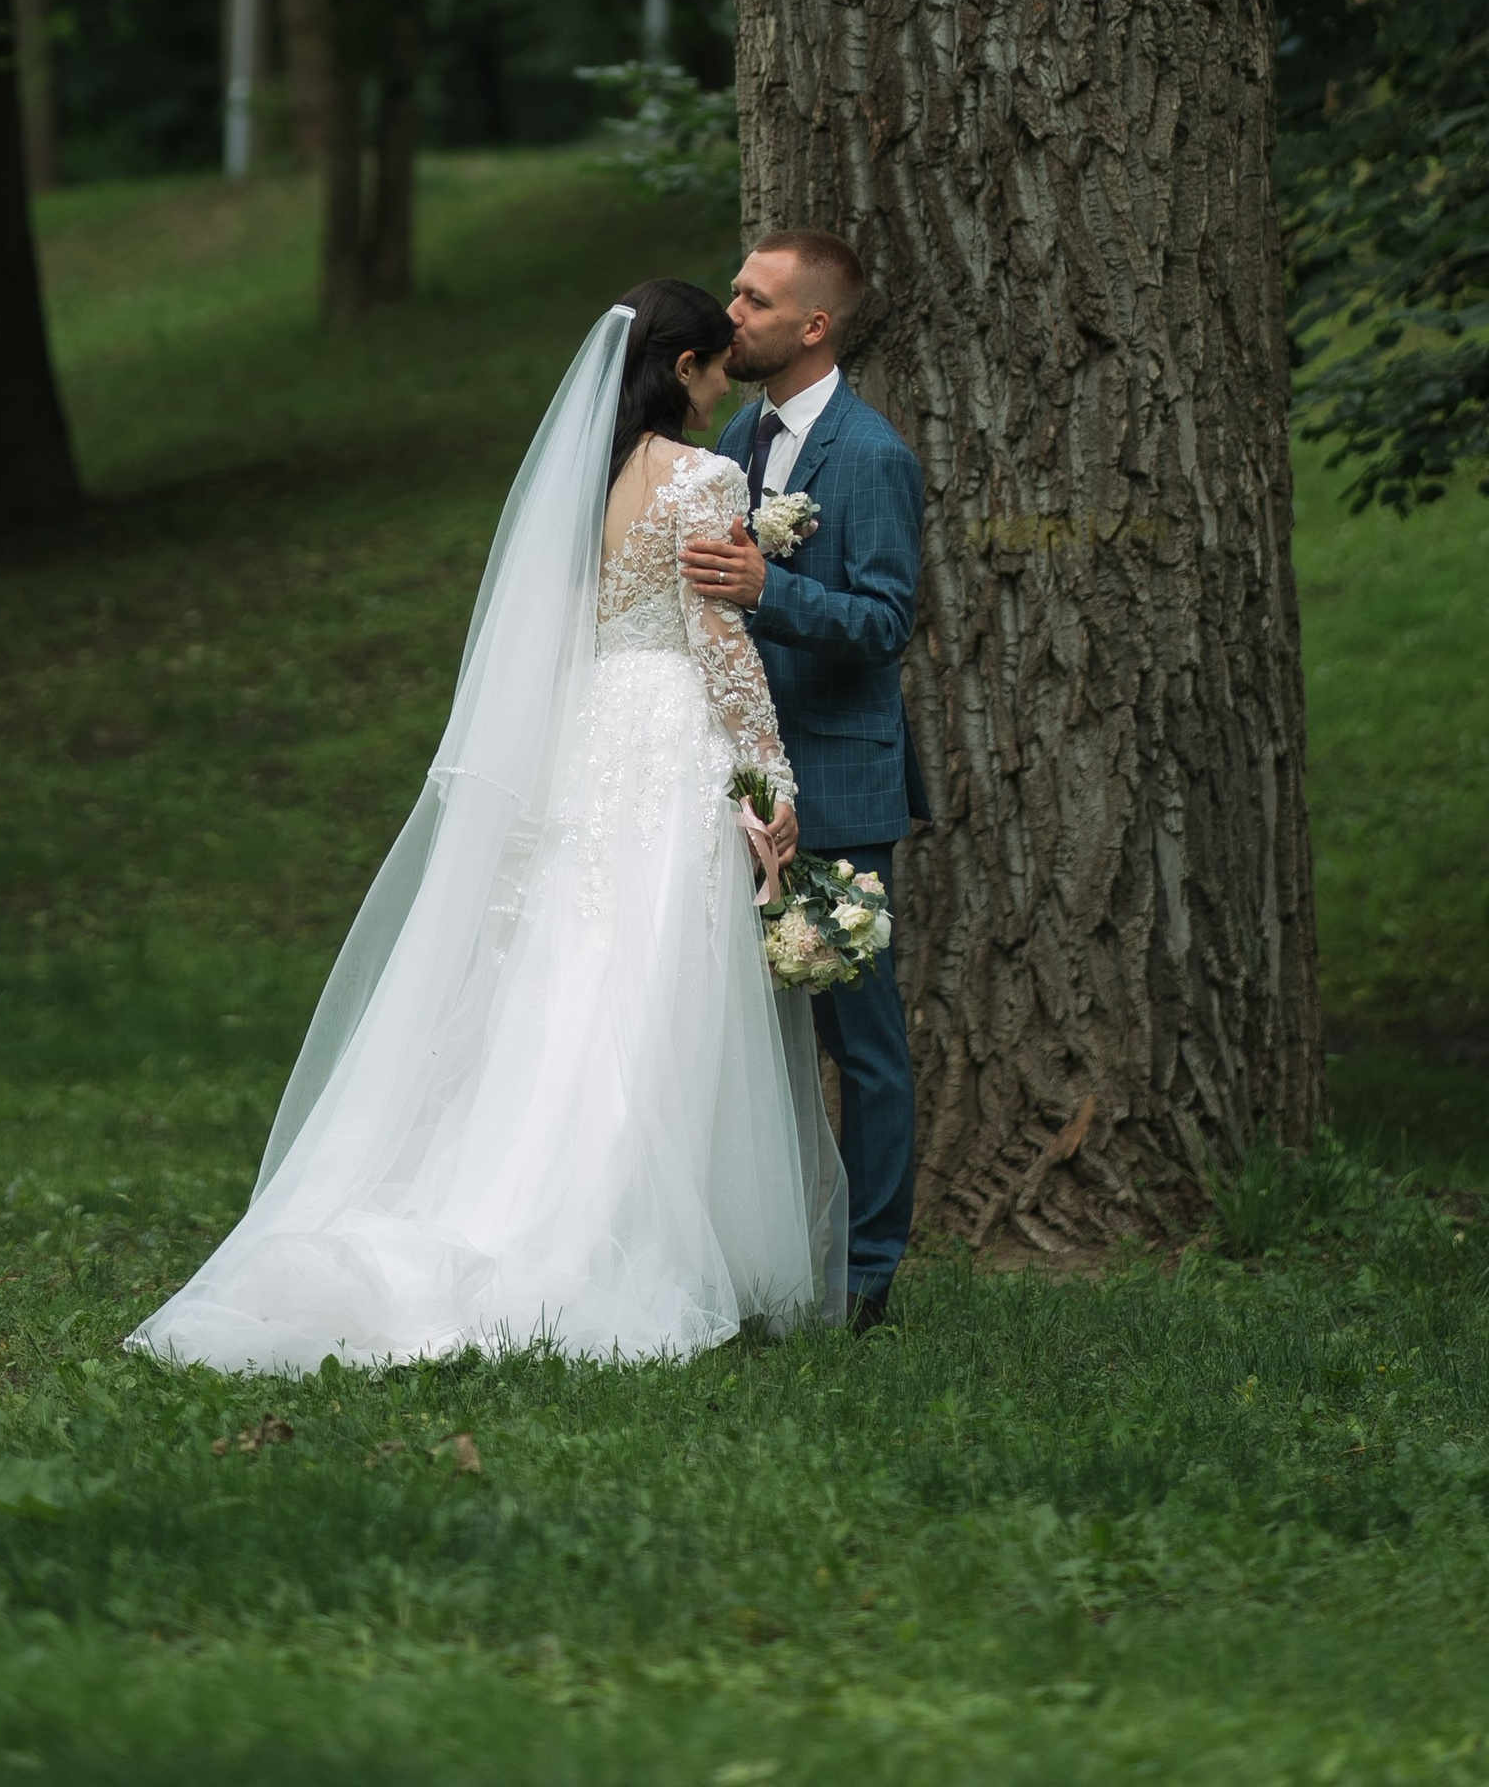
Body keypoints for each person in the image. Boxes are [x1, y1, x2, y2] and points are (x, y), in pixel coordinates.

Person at [126, 283, 844, 1373]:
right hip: (661, 737)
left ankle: (503, 1192)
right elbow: (720, 641)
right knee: (652, 980)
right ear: (689, 365)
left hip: (584, 734)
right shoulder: (701, 479)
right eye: (712, 366)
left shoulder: (575, 483)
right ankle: (610, 1230)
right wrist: (768, 781)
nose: (718, 391)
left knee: (560, 968)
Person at [686, 228, 926, 1332]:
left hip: (834, 787)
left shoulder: (869, 456)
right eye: (735, 293)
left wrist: (763, 590)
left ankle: (866, 1272)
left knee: (858, 1043)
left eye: (754, 299)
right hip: (745, 777)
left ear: (812, 326)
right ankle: (770, 1249)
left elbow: (884, 622)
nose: (731, 312)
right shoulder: (744, 431)